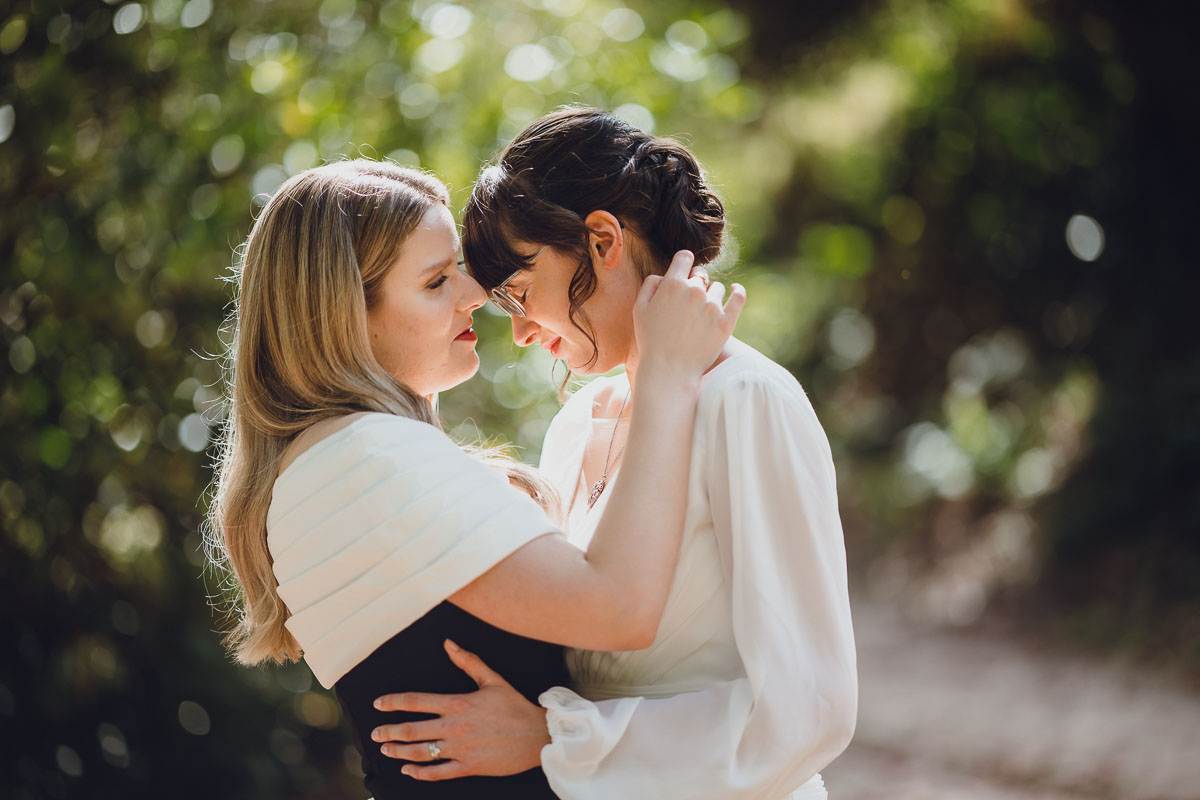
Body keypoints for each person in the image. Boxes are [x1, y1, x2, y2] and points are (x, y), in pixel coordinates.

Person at [204, 158, 744, 800]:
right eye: (436, 282)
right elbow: (621, 610)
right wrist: (665, 375)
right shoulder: (362, 460)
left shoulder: (336, 461)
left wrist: (549, 732)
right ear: (347, 316)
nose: (476, 294)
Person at [371, 108, 858, 799]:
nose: (521, 333)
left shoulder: (748, 401)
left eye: (519, 291)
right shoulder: (576, 424)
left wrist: (554, 738)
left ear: (602, 240)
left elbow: (808, 708)